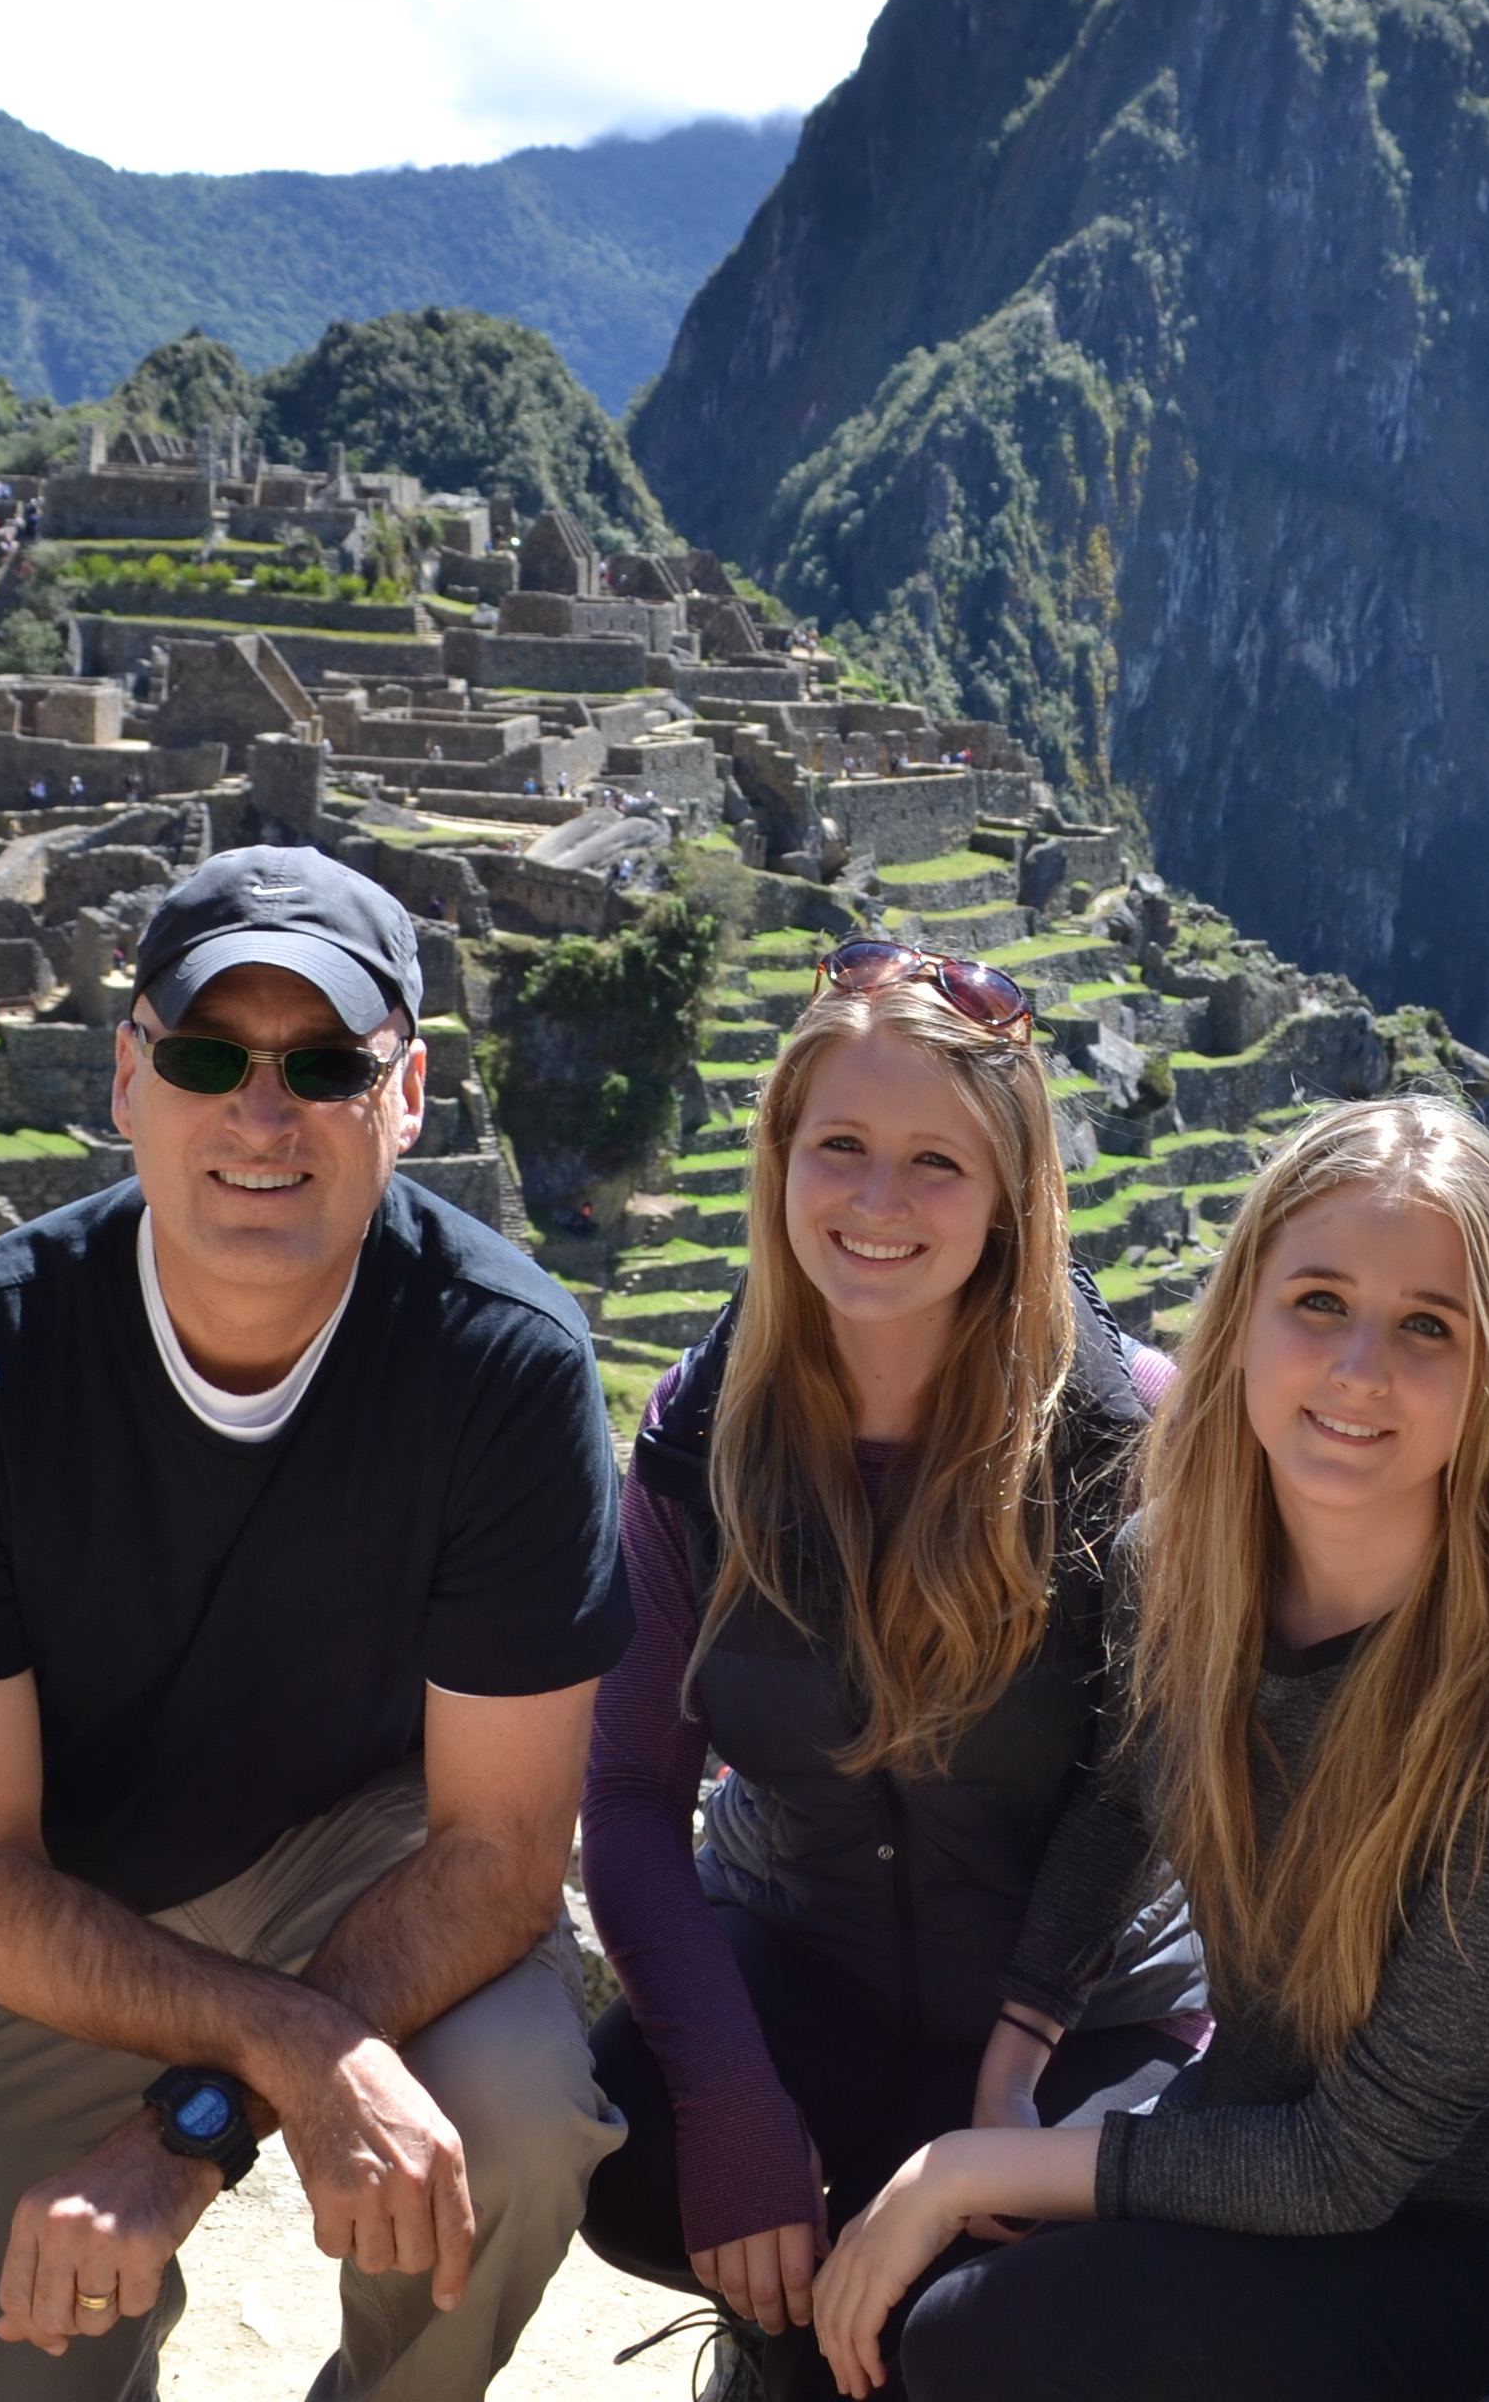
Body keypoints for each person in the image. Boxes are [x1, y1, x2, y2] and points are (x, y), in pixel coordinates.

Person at [0, 843, 632, 2402]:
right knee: (1, 2359)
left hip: (376, 1864)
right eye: (211, 1056)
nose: (263, 1115)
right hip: (74, 1902)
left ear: (405, 1098)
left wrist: (183, 2138)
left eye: (324, 1064)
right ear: (128, 1077)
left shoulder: (510, 1368)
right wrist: (281, 2053)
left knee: (518, 2117)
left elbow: (496, 1858)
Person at [814, 1096, 1489, 2402]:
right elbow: (1124, 1803)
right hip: (1249, 2130)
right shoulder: (1180, 1568)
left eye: (1427, 1327)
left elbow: (1352, 2165)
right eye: (1319, 1301)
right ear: (1246, 1315)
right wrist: (1012, 2065)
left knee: (969, 2335)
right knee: (866, 2319)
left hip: (1470, 2255)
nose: (1359, 1369)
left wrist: (973, 2165)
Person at [581, 941, 1201, 2402]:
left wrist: (1012, 2078)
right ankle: (779, 2333)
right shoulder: (699, 1436)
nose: (876, 1202)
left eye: (937, 1162)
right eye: (840, 1146)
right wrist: (733, 2108)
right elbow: (624, 1799)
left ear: (1012, 1197)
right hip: (809, 1960)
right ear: (780, 1158)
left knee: (991, 2329)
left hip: (1085, 2002)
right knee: (631, 2154)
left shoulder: (1130, 1439)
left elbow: (1141, 1787)